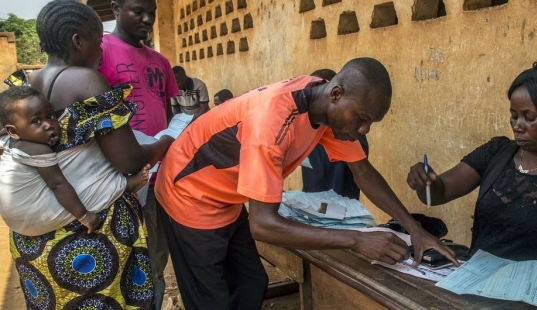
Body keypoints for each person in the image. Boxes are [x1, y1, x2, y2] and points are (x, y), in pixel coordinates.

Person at [155, 57, 458, 309]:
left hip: (224, 199)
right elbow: (262, 224)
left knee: (251, 283)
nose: (363, 130)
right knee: (212, 300)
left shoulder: (321, 104)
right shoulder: (271, 126)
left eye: (370, 123)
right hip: (188, 197)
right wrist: (357, 240)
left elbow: (362, 172)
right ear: (336, 94)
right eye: (361, 119)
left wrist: (414, 229)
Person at [0, 0, 173, 308]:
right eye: (97, 41)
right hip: (89, 233)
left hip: (36, 245)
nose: (101, 50)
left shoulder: (21, 85)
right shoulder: (86, 81)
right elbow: (130, 160)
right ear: (78, 41)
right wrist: (164, 141)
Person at [406, 59, 537, 306]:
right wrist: (425, 182)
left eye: (529, 117)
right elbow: (440, 192)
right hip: (483, 291)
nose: (517, 126)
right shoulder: (495, 153)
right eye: (513, 115)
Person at [98, 0, 179, 307]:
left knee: (155, 261)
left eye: (152, 13)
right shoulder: (99, 51)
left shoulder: (160, 61)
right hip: (119, 180)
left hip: (158, 178)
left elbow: (167, 114)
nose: (147, 19)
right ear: (116, 8)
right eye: (138, 11)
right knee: (119, 265)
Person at [0, 86, 150, 234]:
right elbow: (57, 185)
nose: (48, 125)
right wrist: (84, 215)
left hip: (16, 225)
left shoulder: (8, 140)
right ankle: (123, 186)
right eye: (36, 121)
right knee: (90, 189)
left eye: (51, 116)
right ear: (13, 131)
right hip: (35, 220)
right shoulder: (38, 150)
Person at [302, 68, 369, 199]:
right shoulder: (306, 126)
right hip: (311, 207)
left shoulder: (348, 131)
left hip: (343, 208)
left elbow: (363, 172)